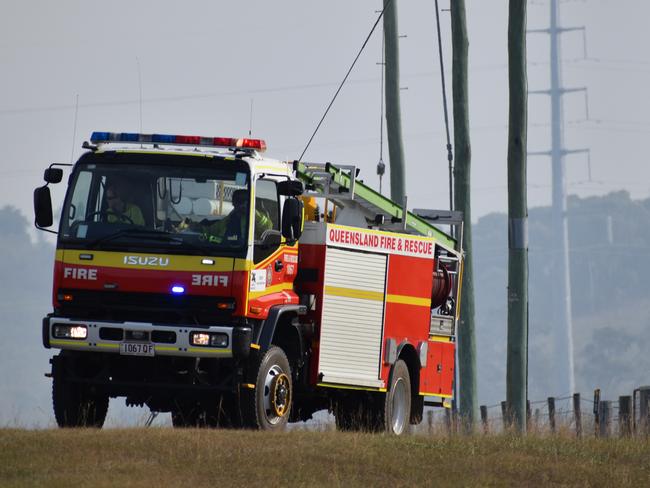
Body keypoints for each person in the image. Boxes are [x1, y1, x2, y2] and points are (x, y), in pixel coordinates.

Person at [203, 189, 272, 244]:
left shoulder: (254, 217)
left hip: (245, 252)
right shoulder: (231, 217)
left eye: (242, 201)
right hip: (225, 249)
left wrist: (252, 212)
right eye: (236, 201)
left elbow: (268, 227)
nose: (234, 204)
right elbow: (213, 230)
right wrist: (197, 228)